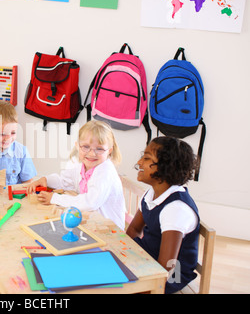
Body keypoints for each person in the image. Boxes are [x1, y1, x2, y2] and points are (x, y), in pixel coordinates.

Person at [126, 136, 200, 294]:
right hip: (149, 257)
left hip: (171, 274)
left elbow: (167, 266)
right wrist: (124, 255)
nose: (139, 162)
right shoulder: (152, 193)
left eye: (147, 158)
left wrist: (134, 280)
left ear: (167, 167)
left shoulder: (175, 208)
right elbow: (133, 229)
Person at [26, 120, 126, 230]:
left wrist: (55, 199)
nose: (92, 153)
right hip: (91, 222)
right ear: (77, 146)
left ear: (109, 151)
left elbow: (90, 202)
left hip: (109, 229)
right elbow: (64, 181)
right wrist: (46, 179)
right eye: (86, 147)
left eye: (99, 149)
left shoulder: (105, 171)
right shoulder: (81, 165)